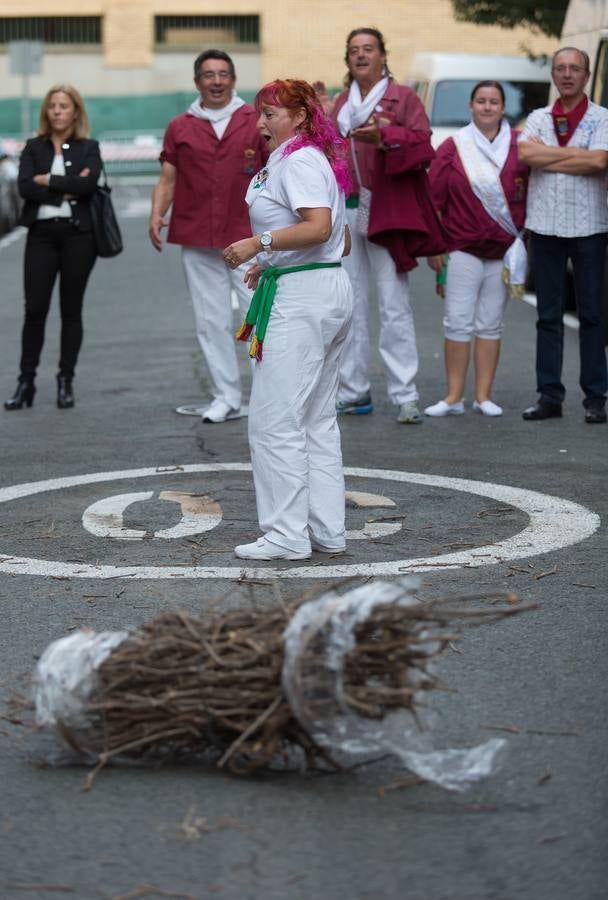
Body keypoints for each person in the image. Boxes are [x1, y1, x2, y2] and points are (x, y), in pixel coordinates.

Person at [222, 79, 353, 561]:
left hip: (303, 299)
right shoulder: (310, 159)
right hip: (322, 286)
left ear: (300, 116)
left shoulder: (298, 160)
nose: (261, 122)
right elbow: (340, 239)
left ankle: (286, 535)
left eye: (272, 113)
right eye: (260, 113)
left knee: (276, 420)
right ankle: (326, 530)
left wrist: (260, 245)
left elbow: (318, 226)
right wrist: (274, 261)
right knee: (316, 418)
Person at [329, 28, 444, 424]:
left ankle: (405, 394)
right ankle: (354, 389)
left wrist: (385, 137)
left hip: (387, 207)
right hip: (346, 208)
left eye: (368, 49)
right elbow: (324, 148)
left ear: (382, 56)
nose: (361, 56)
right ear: (347, 60)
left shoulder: (404, 98)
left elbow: (423, 141)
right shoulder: (341, 103)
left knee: (393, 302)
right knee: (349, 301)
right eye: (354, 51)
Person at [149, 49, 268, 423]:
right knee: (209, 321)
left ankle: (269, 396)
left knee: (261, 316)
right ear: (197, 81)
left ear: (233, 79)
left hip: (247, 238)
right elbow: (168, 178)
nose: (216, 81)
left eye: (223, 74)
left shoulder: (255, 119)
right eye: (208, 74)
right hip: (198, 237)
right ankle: (226, 397)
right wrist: (157, 213)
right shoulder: (180, 125)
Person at [425, 81, 529, 417]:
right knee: (456, 321)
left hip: (502, 250)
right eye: (481, 101)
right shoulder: (454, 146)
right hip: (462, 248)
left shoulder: (519, 145)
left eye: (493, 102)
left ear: (503, 108)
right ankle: (453, 397)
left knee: (490, 323)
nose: (487, 107)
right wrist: (435, 246)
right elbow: (434, 200)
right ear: (471, 106)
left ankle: (484, 396)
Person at [518, 47, 608, 424]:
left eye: (575, 69)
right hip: (545, 225)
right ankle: (549, 395)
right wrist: (577, 158)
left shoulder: (602, 117)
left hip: (590, 226)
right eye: (561, 68)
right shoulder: (538, 117)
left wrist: (549, 155)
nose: (567, 74)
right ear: (553, 74)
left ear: (587, 75)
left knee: (592, 314)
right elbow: (526, 155)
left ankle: (596, 397)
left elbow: (600, 161)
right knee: (547, 314)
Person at [4, 84, 101, 411]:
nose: (58, 111)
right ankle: (25, 381)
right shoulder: (34, 147)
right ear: (46, 112)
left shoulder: (89, 147)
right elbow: (25, 187)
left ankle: (65, 381)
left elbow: (87, 186)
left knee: (71, 311)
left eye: (64, 106)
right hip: (41, 236)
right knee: (34, 310)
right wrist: (65, 190)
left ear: (75, 111)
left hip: (78, 237)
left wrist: (48, 181)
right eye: (53, 106)